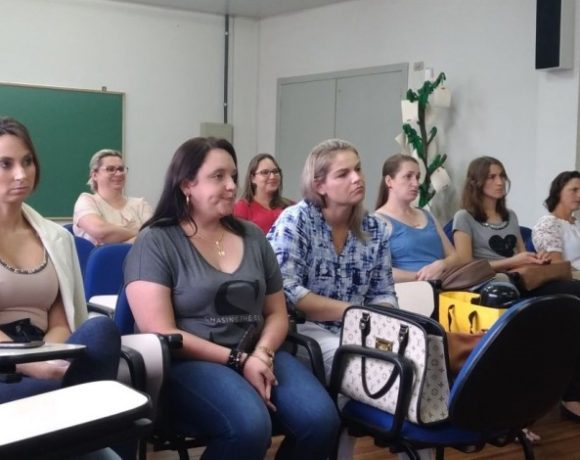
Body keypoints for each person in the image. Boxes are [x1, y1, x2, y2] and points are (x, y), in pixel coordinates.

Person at [124, 136, 339, 460]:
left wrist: (262, 353)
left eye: (233, 176)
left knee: (321, 422)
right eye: (218, 176)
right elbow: (161, 331)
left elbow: (276, 313)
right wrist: (238, 360)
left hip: (258, 352)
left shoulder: (253, 236)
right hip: (188, 363)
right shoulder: (156, 241)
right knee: (249, 427)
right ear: (186, 185)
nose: (231, 186)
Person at [0, 118, 122, 457]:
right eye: (5, 164)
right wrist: (32, 366)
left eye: (27, 161)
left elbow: (61, 318)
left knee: (101, 330)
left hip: (45, 353)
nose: (21, 174)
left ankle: (72, 415)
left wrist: (52, 359)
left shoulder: (55, 237)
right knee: (79, 419)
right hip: (5, 367)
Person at [452, 155, 580, 422]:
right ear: (476, 182)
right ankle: (511, 407)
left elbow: (522, 256)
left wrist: (535, 259)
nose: (500, 182)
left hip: (519, 279)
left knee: (572, 296)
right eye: (492, 177)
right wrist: (513, 261)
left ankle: (571, 394)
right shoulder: (464, 217)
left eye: (502, 176)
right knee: (514, 296)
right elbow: (465, 264)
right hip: (488, 283)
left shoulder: (510, 216)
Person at [374, 154, 459, 282]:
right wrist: (424, 277)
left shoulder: (427, 215)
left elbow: (455, 257)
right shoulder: (377, 221)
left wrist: (442, 264)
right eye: (408, 176)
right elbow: (377, 271)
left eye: (417, 177)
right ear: (389, 181)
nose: (416, 183)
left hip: (444, 286)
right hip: (410, 289)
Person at [73, 149, 152, 245]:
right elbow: (100, 231)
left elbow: (154, 236)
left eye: (121, 169)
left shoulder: (141, 205)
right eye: (110, 169)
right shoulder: (87, 201)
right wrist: (139, 235)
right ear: (95, 175)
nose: (119, 173)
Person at [234, 153, 293, 233]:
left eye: (275, 171)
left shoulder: (291, 206)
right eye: (265, 172)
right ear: (252, 178)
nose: (272, 176)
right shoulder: (241, 208)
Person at [533, 171, 580, 272]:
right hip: (571, 278)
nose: (579, 195)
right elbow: (556, 265)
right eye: (574, 190)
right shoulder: (547, 224)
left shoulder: (577, 223)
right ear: (558, 192)